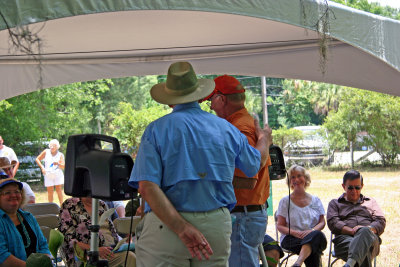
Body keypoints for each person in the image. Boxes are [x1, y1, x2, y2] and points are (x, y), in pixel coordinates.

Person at [129, 61, 271, 266]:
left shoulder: (156, 130)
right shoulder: (227, 128)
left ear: (169, 101)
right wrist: (264, 138)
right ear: (198, 95)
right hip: (215, 227)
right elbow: (254, 164)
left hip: (167, 226)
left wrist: (182, 228)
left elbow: (147, 187)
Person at [204, 74, 272, 267]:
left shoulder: (240, 128)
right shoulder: (239, 124)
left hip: (242, 215)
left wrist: (204, 179)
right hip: (244, 214)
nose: (210, 107)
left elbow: (248, 179)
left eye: (211, 100)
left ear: (222, 99)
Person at [327, 170, 385, 267]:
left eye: (357, 187)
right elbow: (333, 222)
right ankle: (351, 263)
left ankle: (349, 264)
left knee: (365, 231)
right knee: (362, 250)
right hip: (344, 240)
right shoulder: (335, 203)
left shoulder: (371, 202)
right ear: (343, 186)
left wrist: (365, 230)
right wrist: (352, 231)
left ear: (362, 186)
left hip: (370, 239)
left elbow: (380, 221)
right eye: (350, 188)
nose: (354, 191)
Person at [58, 197, 136, 267]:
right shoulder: (69, 205)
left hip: (111, 251)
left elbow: (112, 233)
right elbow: (69, 242)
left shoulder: (101, 204)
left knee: (140, 252)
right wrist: (96, 249)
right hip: (86, 257)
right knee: (129, 257)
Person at [276, 165, 327, 267]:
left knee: (317, 236)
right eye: (293, 177)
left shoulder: (316, 200)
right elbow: (280, 226)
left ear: (306, 178)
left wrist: (311, 231)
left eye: (299, 176)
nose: (296, 179)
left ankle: (297, 263)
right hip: (291, 238)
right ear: (289, 181)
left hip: (313, 235)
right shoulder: (285, 201)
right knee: (314, 248)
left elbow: (322, 222)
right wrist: (295, 233)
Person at [0, 174, 51, 266]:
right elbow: (2, 256)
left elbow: (43, 245)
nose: (13, 195)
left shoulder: (28, 217)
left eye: (17, 191)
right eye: (7, 193)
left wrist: (45, 262)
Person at [35, 139, 65, 205]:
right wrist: (42, 168)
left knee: (58, 190)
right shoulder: (46, 152)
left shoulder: (60, 155)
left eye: (53, 146)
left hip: (57, 174)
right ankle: (51, 207)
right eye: (50, 145)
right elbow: (37, 159)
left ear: (57, 147)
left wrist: (58, 164)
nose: (52, 147)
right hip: (48, 174)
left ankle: (62, 206)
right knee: (50, 191)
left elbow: (63, 166)